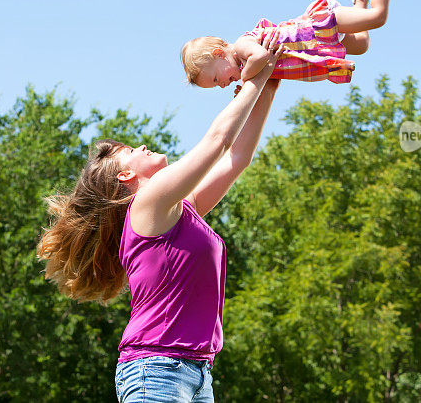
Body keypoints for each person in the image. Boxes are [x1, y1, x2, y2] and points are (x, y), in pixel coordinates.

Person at [36, 31, 284, 402]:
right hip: (158, 369)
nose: (142, 145)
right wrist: (256, 77)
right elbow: (218, 142)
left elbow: (237, 158)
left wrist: (269, 86)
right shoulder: (147, 205)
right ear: (125, 176)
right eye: (131, 151)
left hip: (196, 371)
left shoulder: (179, 211)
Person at [180, 0, 419, 89]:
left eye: (215, 78)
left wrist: (245, 79)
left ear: (219, 53)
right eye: (216, 86)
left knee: (377, 18)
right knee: (362, 45)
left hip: (321, 27)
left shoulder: (243, 46)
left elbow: (261, 55)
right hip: (318, 44)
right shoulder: (246, 65)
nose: (223, 85)